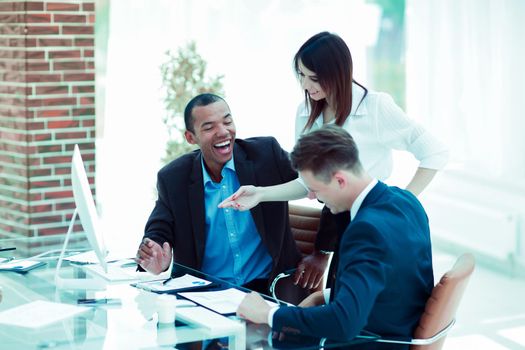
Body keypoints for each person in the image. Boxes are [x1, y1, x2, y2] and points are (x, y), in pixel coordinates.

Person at [219, 31, 448, 290]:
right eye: (302, 76)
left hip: (373, 219)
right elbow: (307, 183)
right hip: (337, 217)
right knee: (341, 298)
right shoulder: (305, 111)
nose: (306, 85)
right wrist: (260, 194)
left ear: (337, 72)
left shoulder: (374, 108)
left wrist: (402, 203)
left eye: (314, 78)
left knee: (365, 303)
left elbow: (435, 152)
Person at [236, 125, 434, 349]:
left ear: (340, 180)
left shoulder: (365, 230)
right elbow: (394, 282)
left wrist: (270, 314)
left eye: (315, 189)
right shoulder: (406, 201)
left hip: (371, 342)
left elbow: (344, 323)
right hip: (395, 330)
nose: (311, 197)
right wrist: (326, 296)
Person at [135, 93, 321, 297]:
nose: (223, 132)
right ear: (190, 137)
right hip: (204, 293)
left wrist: (322, 253)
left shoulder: (267, 155)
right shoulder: (173, 177)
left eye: (227, 121)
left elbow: (322, 182)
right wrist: (154, 253)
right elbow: (159, 228)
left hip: (269, 288)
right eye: (209, 127)